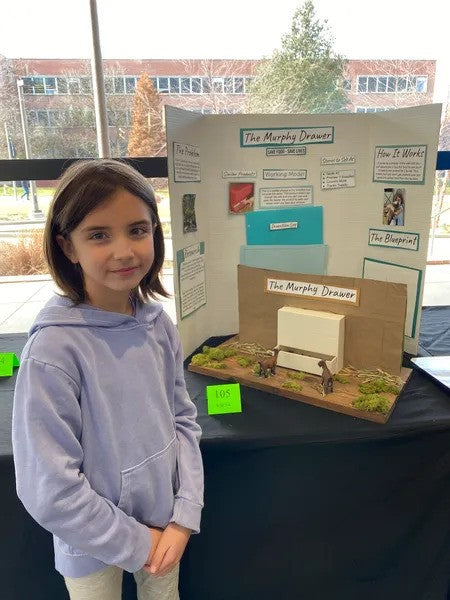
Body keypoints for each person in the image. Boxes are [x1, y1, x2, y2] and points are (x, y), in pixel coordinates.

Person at [12, 159, 204, 600]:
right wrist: (139, 543)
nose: (124, 251)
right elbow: (50, 488)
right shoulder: (54, 351)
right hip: (92, 544)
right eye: (99, 235)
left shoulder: (159, 326)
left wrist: (183, 515)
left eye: (138, 230)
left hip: (166, 529)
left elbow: (183, 422)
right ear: (68, 246)